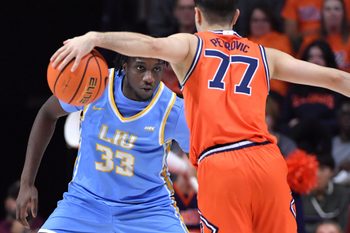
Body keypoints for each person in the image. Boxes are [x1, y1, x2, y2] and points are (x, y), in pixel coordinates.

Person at [49, 0, 350, 232]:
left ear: (196, 15)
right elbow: (335, 79)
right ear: (236, 16)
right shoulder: (264, 54)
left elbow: (151, 45)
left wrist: (95, 37)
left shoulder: (192, 44)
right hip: (268, 163)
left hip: (222, 164)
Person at [16, 55, 191, 233]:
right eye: (140, 68)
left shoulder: (173, 110)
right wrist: (27, 183)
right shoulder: (94, 85)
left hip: (148, 211)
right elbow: (47, 113)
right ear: (124, 66)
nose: (149, 77)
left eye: (157, 69)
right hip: (84, 204)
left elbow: (205, 156)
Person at [301, 155, 350, 233]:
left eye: (322, 169)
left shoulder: (343, 193)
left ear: (332, 172)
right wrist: (317, 229)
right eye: (313, 169)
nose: (317, 174)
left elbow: (344, 223)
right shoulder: (300, 195)